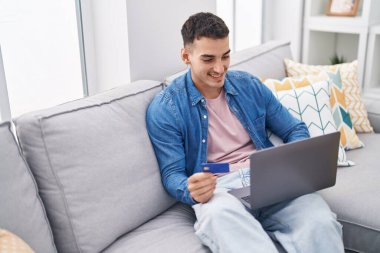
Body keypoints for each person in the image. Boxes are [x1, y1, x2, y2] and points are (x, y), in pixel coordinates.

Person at [146, 12, 344, 253]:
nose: (220, 68)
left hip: (269, 178)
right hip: (218, 189)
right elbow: (172, 173)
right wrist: (189, 188)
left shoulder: (248, 85)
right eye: (208, 59)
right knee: (219, 218)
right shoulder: (166, 108)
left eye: (226, 56)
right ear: (186, 56)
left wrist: (295, 164)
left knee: (320, 223)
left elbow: (294, 129)